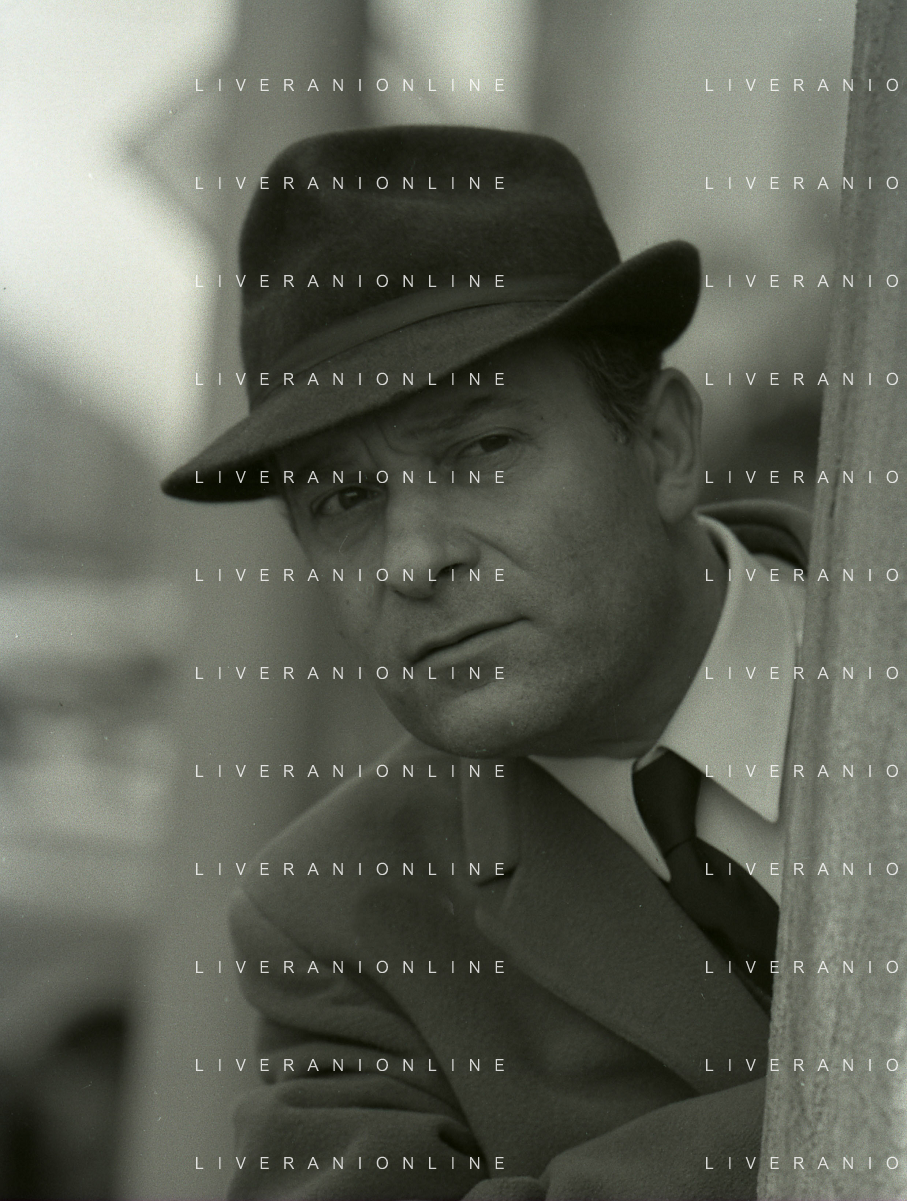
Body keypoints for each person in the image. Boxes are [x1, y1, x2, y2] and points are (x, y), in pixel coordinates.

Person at [163, 125, 809, 1200]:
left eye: (480, 449)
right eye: (344, 498)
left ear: (662, 445)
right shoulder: (337, 910)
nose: (413, 560)